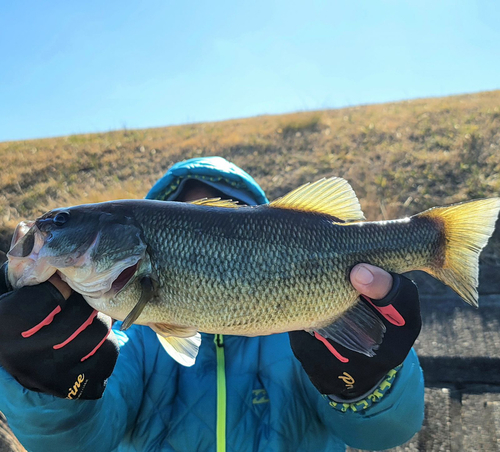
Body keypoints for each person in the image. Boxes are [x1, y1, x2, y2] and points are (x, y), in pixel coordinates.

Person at [0, 156, 424, 451]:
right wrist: (46, 389)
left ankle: (440, 240)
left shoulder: (300, 336)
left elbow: (385, 434)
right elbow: (81, 444)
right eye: (188, 215)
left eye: (60, 222)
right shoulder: (128, 338)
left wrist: (372, 382)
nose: (49, 229)